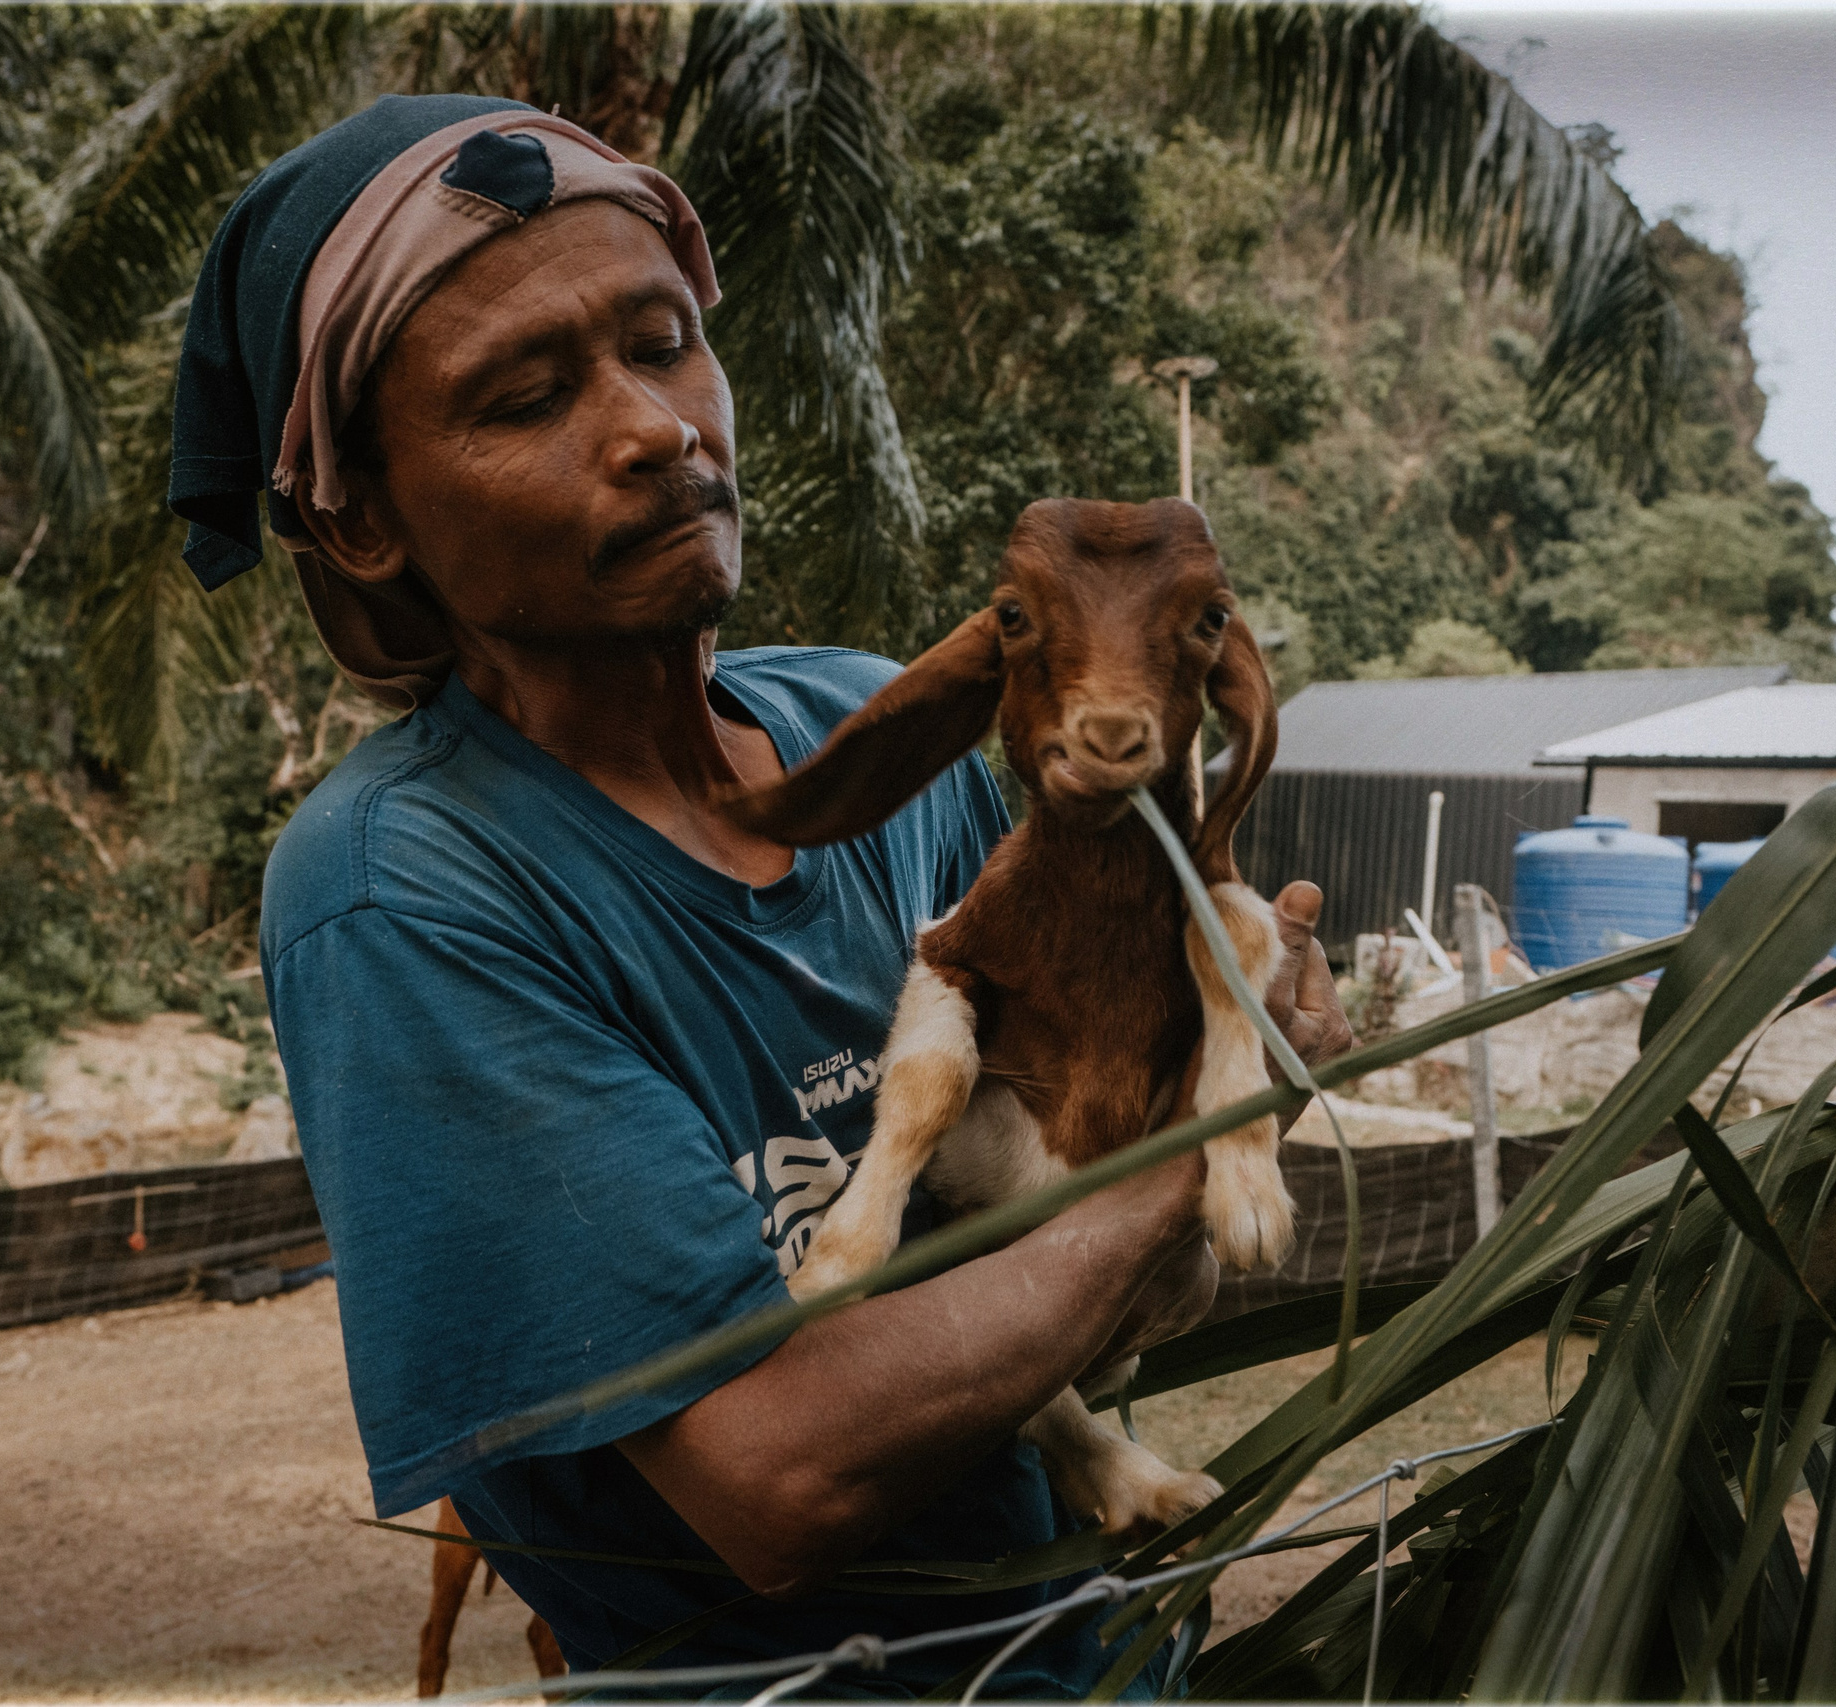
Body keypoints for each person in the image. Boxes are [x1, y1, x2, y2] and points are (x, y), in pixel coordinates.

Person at [170, 95, 1354, 1698]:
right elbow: (777, 1481)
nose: (654, 426)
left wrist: (1213, 1047)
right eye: (524, 396)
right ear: (361, 518)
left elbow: (1121, 1274)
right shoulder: (407, 888)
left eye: (662, 342)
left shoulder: (882, 742)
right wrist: (1208, 1149)